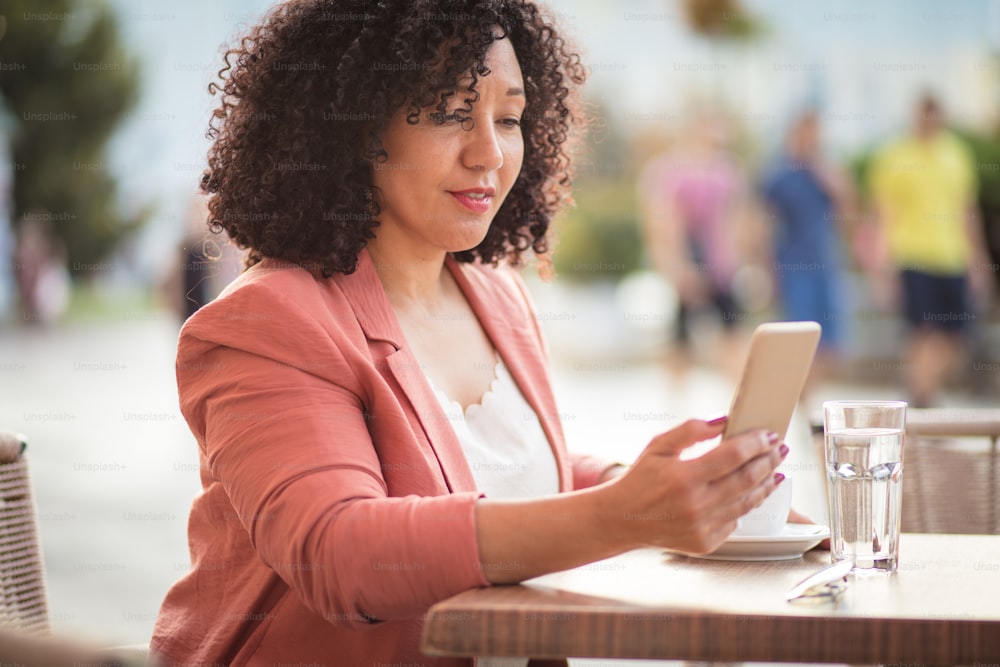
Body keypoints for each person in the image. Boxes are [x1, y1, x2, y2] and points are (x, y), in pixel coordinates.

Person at [150, 2, 790, 665]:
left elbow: (498, 469)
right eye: (453, 111)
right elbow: (341, 551)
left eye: (509, 118)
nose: (489, 151)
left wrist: (668, 486)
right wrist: (622, 514)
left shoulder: (496, 294)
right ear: (354, 123)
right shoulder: (268, 323)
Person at [868, 94, 990, 407]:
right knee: (921, 332)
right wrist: (881, 266)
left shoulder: (955, 154)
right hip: (913, 255)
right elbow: (885, 214)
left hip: (953, 257)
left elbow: (967, 210)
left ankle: (920, 387)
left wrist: (978, 259)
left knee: (958, 337)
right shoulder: (896, 155)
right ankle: (921, 396)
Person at [638, 109, 752, 376]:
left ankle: (737, 399)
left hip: (720, 266)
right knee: (680, 338)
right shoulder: (670, 171)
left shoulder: (728, 172)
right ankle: (676, 403)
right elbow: (662, 223)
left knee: (732, 331)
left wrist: (741, 261)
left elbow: (737, 220)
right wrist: (676, 266)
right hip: (686, 261)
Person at [760, 109, 854, 400]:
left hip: (826, 265)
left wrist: (831, 178)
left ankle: (808, 396)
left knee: (831, 344)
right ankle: (800, 400)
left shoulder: (826, 172)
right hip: (793, 267)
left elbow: (850, 213)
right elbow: (762, 223)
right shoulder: (779, 175)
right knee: (800, 339)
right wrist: (766, 269)